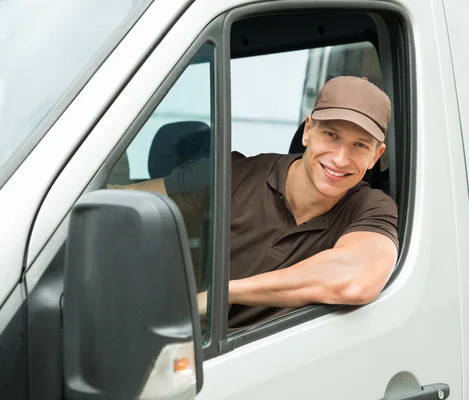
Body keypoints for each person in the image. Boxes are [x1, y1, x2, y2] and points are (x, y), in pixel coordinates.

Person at [113, 76, 399, 330]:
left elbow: (355, 278)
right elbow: (118, 204)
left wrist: (222, 294)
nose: (339, 158)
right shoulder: (231, 175)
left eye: (359, 145)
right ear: (308, 130)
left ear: (376, 155)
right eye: (331, 135)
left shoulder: (371, 207)